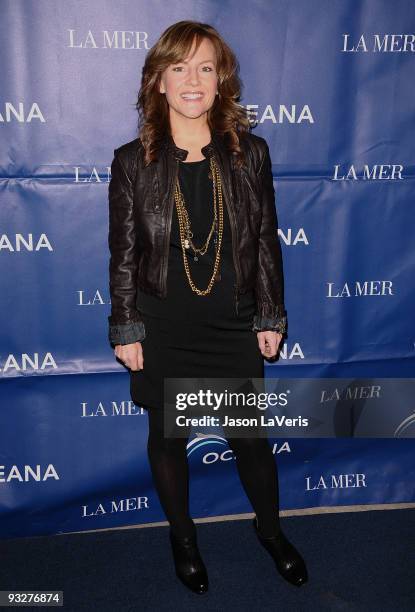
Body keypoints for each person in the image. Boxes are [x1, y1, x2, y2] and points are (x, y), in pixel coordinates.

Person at [107, 20, 308, 594]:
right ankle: (183, 537)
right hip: (163, 323)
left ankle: (270, 531)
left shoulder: (251, 155)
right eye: (179, 68)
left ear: (221, 81)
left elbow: (265, 238)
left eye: (205, 67)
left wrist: (270, 313)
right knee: (168, 438)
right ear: (158, 82)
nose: (192, 80)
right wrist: (126, 324)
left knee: (250, 439)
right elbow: (123, 253)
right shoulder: (130, 163)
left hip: (233, 321)